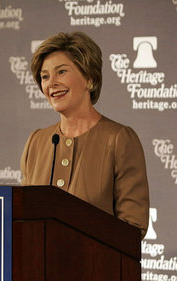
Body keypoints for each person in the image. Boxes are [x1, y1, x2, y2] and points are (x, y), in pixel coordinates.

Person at [20, 31, 149, 237]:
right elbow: (23, 218)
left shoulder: (119, 139)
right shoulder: (36, 141)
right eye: (45, 76)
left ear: (89, 78)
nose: (51, 83)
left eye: (61, 72)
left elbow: (133, 228)